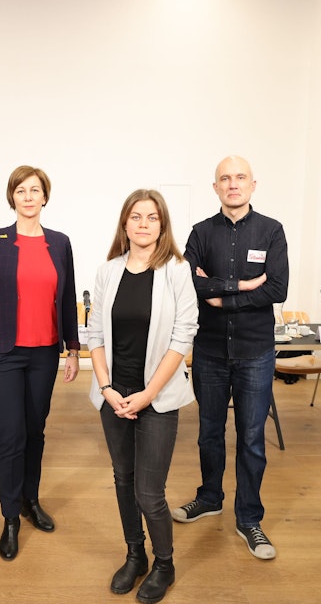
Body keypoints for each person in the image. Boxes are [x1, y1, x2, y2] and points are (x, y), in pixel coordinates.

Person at [173, 155, 288, 561]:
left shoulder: (271, 230)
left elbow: (277, 288)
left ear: (253, 185)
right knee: (209, 432)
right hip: (209, 351)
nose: (233, 184)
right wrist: (241, 285)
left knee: (252, 438)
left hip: (256, 352)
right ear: (216, 187)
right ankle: (210, 498)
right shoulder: (201, 233)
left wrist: (221, 297)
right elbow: (188, 281)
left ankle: (249, 518)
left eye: (240, 177)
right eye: (225, 178)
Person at [87, 189, 198, 604]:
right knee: (123, 479)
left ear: (162, 225)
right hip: (114, 396)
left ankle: (164, 564)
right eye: (136, 216)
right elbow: (95, 334)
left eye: (152, 217)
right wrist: (107, 388)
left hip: (158, 397)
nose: (144, 224)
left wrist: (148, 394)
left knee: (149, 492)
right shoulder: (108, 271)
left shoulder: (177, 271)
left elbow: (183, 335)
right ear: (125, 223)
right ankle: (135, 555)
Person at [0, 165, 81, 561]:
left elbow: (67, 298)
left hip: (45, 353)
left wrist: (72, 349)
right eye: (21, 190)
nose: (28, 197)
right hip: (4, 352)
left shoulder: (60, 243)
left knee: (35, 431)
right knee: (12, 434)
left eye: (35, 190)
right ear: (12, 197)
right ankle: (10, 517)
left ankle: (30, 500)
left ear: (45, 197)